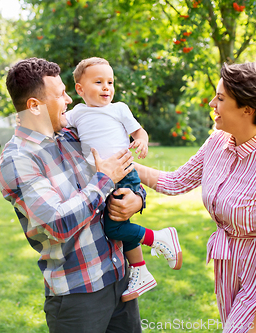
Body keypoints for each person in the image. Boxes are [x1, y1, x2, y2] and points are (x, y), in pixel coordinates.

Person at [135, 62, 256, 333]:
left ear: (247, 109)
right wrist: (128, 167)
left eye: (221, 98)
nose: (212, 103)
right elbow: (176, 181)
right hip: (226, 270)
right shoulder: (217, 142)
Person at [0, 57, 145, 333]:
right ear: (34, 106)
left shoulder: (70, 135)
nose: (68, 100)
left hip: (119, 279)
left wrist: (137, 199)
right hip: (79, 295)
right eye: (60, 94)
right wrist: (104, 181)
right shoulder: (18, 160)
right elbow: (56, 224)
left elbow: (121, 169)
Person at [66, 57, 182, 302]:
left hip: (124, 173)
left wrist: (142, 140)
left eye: (110, 81)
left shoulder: (118, 109)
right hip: (102, 179)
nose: (107, 87)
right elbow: (56, 123)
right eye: (98, 82)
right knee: (120, 224)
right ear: (80, 89)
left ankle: (159, 238)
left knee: (115, 227)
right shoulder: (77, 113)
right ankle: (140, 270)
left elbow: (139, 131)